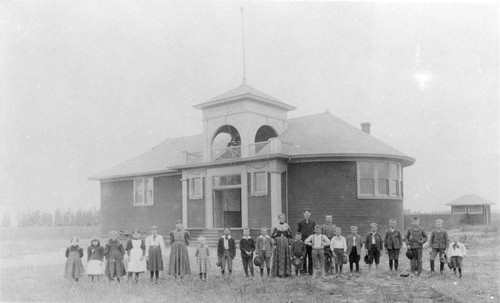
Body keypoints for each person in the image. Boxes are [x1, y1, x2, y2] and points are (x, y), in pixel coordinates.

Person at [271, 213, 293, 278]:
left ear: (285, 219)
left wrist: (289, 244)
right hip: (278, 242)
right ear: (278, 219)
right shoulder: (276, 226)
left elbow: (290, 236)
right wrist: (274, 244)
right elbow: (273, 236)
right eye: (280, 218)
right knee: (279, 256)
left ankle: (286, 272)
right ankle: (278, 273)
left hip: (285, 242)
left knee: (285, 256)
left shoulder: (287, 226)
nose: (282, 219)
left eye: (283, 218)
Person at [297, 209, 316, 275]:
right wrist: (300, 240)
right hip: (303, 243)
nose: (307, 215)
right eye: (306, 213)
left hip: (311, 243)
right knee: (303, 256)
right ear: (303, 214)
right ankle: (303, 270)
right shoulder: (300, 223)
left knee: (311, 257)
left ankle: (311, 271)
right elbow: (298, 232)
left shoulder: (313, 222)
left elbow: (315, 232)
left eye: (308, 213)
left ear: (310, 214)